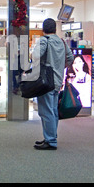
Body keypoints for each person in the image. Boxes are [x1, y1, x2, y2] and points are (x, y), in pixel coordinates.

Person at [31, 18, 74, 150]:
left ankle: (50, 141)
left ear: (43, 29)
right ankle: (50, 136)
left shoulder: (44, 40)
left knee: (46, 111)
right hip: (57, 80)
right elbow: (70, 58)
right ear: (55, 29)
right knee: (53, 110)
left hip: (45, 81)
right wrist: (60, 66)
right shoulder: (61, 42)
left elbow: (36, 55)